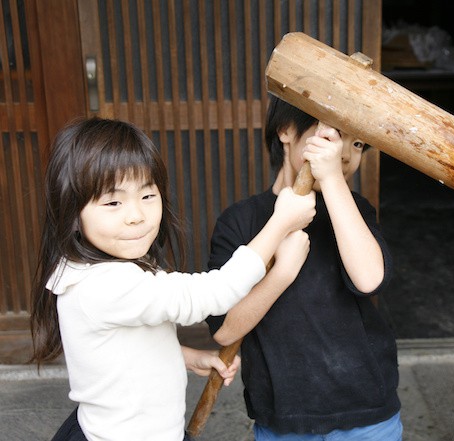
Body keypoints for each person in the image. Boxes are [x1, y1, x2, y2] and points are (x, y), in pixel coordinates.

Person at [29, 117, 315, 441]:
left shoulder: (86, 268)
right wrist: (279, 224)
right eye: (113, 202)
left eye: (147, 196)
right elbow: (214, 293)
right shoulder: (104, 284)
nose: (136, 214)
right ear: (72, 212)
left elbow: (125, 349)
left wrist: (185, 357)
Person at [206, 96, 402, 440]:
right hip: (284, 416)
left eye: (356, 144)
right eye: (332, 135)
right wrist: (280, 274)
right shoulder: (240, 220)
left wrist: (333, 181)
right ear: (285, 130)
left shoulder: (354, 210)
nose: (343, 153)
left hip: (366, 410)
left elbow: (370, 279)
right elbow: (224, 331)